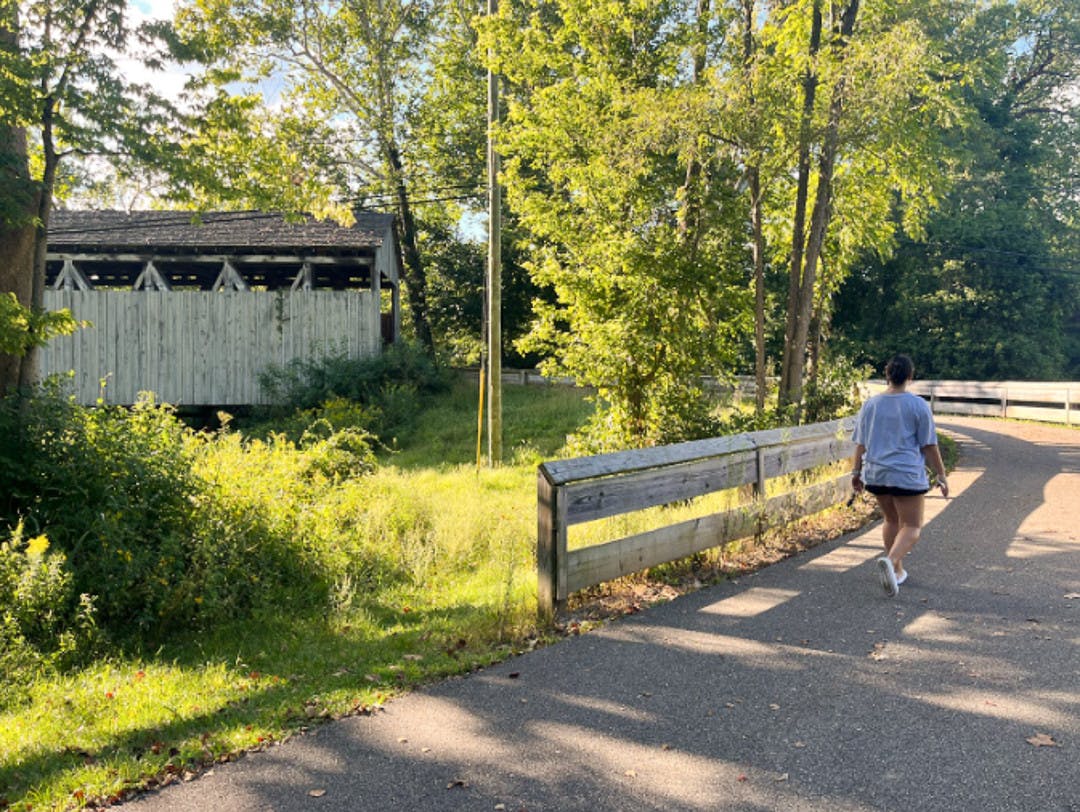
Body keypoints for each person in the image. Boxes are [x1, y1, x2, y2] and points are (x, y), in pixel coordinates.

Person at [851, 354, 948, 597]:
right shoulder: (917, 405)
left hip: (876, 474)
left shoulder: (870, 405)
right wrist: (941, 474)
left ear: (887, 374)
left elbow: (861, 443)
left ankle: (896, 573)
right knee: (912, 526)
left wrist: (856, 472)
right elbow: (929, 445)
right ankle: (891, 560)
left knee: (891, 520)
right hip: (906, 474)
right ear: (910, 376)